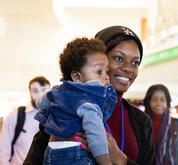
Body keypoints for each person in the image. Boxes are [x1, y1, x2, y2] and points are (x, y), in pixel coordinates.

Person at [24, 25, 157, 165]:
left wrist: (120, 159)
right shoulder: (63, 107)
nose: (128, 68)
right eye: (118, 58)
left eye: (135, 62)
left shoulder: (142, 121)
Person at [35, 37, 117, 165]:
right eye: (99, 72)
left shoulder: (57, 91)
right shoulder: (88, 102)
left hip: (50, 152)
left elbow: (40, 102)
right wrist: (106, 162)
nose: (106, 76)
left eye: (106, 72)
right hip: (74, 154)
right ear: (76, 76)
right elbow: (96, 136)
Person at [143, 84, 178, 165]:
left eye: (162, 100)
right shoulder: (142, 123)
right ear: (149, 102)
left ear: (167, 103)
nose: (159, 103)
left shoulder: (176, 124)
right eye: (155, 99)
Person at [0, 76, 50, 165]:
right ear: (29, 91)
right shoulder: (16, 115)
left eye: (43, 91)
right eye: (35, 91)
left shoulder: (53, 117)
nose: (39, 95)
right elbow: (3, 149)